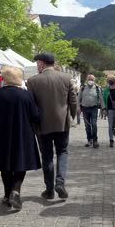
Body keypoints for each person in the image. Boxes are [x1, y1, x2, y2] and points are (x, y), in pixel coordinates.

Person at [0, 67, 41, 210]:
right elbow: (35, 116)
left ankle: (6, 195)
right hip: (23, 135)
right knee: (20, 164)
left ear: (5, 79)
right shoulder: (26, 95)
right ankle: (16, 190)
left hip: (1, 136)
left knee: (5, 166)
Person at [27, 52, 77, 200]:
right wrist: (72, 116)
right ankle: (60, 182)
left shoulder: (33, 81)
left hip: (42, 124)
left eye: (37, 63)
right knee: (62, 152)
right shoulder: (66, 78)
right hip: (62, 123)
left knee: (47, 156)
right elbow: (73, 101)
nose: (37, 65)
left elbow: (31, 105)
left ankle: (49, 189)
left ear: (42, 63)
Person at [78, 75, 104, 148]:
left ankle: (95, 140)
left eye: (92, 79)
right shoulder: (82, 88)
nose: (90, 80)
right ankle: (89, 140)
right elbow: (78, 98)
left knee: (94, 124)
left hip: (94, 109)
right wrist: (78, 108)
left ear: (94, 80)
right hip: (85, 109)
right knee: (87, 126)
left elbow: (101, 99)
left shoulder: (97, 88)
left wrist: (104, 108)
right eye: (89, 79)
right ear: (87, 80)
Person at [102, 75, 115, 148]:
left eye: (111, 80)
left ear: (114, 80)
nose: (110, 81)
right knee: (110, 126)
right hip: (110, 110)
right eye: (108, 80)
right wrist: (104, 109)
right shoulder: (106, 90)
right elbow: (104, 100)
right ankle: (111, 140)